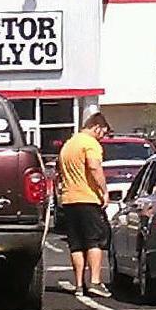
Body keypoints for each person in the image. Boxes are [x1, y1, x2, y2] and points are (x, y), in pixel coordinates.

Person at [56, 112, 113, 298]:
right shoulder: (90, 144)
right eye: (103, 133)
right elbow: (94, 167)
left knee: (76, 243)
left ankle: (79, 284)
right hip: (88, 198)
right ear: (97, 127)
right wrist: (104, 191)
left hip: (69, 200)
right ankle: (95, 281)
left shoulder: (69, 144)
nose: (103, 137)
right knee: (94, 240)